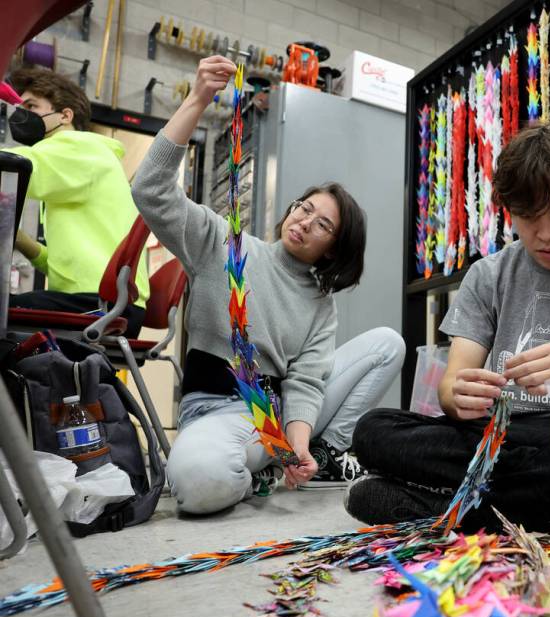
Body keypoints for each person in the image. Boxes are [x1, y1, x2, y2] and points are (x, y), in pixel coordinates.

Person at [346, 121, 550, 531]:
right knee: (373, 430)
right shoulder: (488, 275)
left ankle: (448, 506)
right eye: (527, 216)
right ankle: (542, 506)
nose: (545, 234)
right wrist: (459, 397)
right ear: (509, 210)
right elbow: (450, 390)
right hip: (497, 434)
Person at [131, 56, 405, 515]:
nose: (303, 222)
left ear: (334, 250)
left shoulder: (320, 304)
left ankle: (321, 453)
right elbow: (151, 190)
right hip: (218, 409)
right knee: (199, 483)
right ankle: (256, 470)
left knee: (387, 344)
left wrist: (296, 444)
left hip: (273, 414)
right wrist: (198, 98)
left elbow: (305, 383)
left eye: (323, 225)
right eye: (303, 208)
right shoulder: (225, 242)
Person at [5, 67, 149, 337]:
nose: (21, 115)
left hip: (101, 304)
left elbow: (20, 165)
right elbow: (63, 266)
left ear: (65, 115)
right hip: (107, 300)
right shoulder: (77, 161)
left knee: (4, 314)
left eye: (31, 106)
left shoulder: (77, 147)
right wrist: (21, 240)